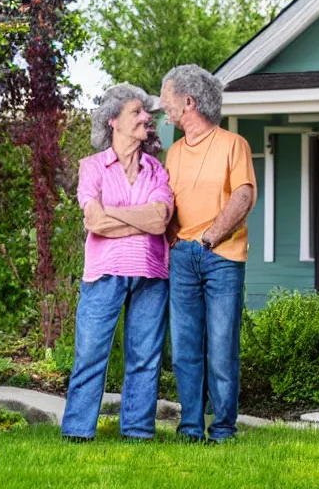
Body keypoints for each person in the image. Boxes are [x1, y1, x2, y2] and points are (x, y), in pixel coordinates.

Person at [61, 83, 173, 441]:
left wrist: (114, 213)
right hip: (103, 273)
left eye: (146, 112)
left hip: (151, 273)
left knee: (144, 358)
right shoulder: (92, 167)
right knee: (91, 354)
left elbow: (160, 222)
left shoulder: (156, 170)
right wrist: (137, 219)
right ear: (114, 121)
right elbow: (93, 221)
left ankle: (138, 431)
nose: (146, 118)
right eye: (137, 112)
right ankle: (78, 430)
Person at [160, 64, 256, 442]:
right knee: (184, 349)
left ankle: (223, 429)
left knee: (221, 348)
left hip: (222, 258)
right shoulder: (174, 152)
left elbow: (244, 195)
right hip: (182, 257)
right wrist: (173, 239)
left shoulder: (234, 144)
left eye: (166, 98)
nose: (162, 106)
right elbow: (167, 202)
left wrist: (210, 238)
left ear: (188, 101)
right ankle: (189, 428)